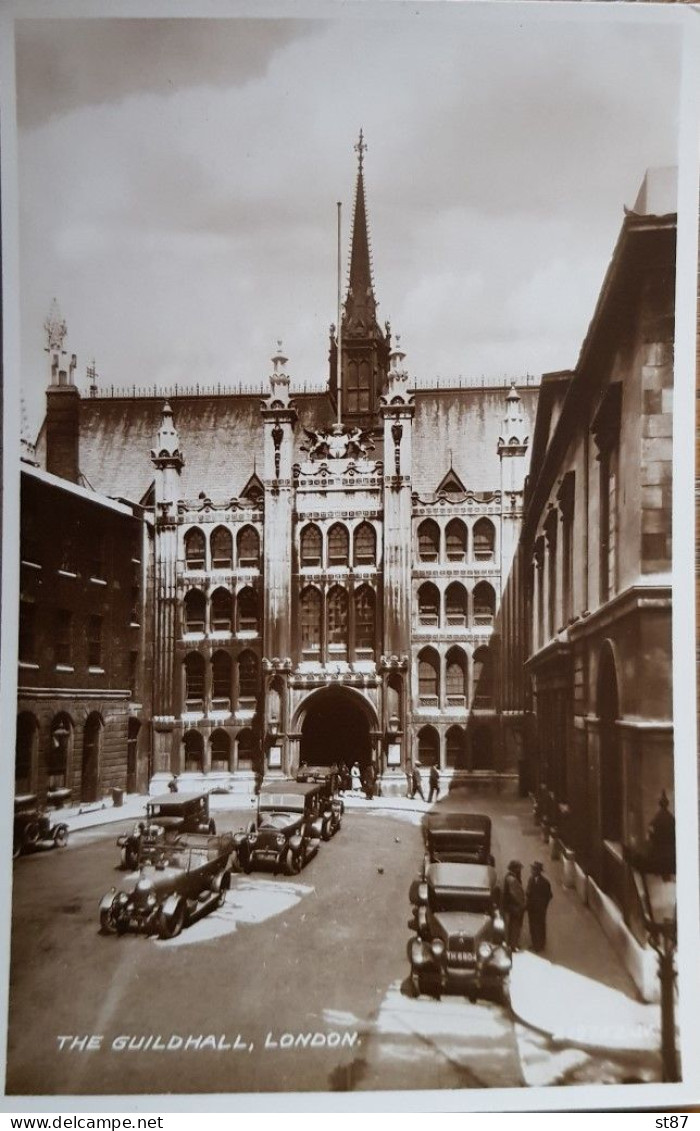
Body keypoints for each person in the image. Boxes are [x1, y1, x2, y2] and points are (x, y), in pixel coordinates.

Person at [526, 861, 553, 953]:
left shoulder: (545, 882)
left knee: (540, 926)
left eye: (534, 869)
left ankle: (541, 944)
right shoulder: (530, 880)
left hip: (540, 909)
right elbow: (528, 892)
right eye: (532, 869)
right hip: (531, 908)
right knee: (532, 925)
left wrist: (543, 906)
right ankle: (534, 943)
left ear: (538, 871)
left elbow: (549, 896)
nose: (532, 871)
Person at [502, 859, 526, 951]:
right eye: (519, 868)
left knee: (512, 926)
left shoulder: (511, 877)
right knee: (514, 926)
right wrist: (522, 904)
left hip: (511, 907)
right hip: (513, 908)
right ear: (515, 868)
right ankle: (512, 945)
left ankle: (512, 944)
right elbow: (515, 894)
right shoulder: (512, 879)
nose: (520, 870)